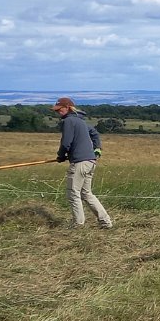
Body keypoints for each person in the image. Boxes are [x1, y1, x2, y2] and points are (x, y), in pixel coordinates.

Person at [52, 97, 113, 229]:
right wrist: (96, 149)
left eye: (60, 109)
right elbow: (93, 134)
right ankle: (105, 221)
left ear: (67, 107)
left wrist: (61, 156)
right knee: (86, 193)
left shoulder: (68, 121)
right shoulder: (80, 121)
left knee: (73, 193)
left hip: (79, 162)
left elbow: (66, 142)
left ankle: (78, 225)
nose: (58, 112)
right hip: (90, 161)